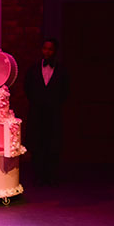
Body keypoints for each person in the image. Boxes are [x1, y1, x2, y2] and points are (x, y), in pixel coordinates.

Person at [24, 38, 69, 185]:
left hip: (54, 112)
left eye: (50, 49)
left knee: (53, 143)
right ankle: (38, 175)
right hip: (37, 112)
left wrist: (54, 103)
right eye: (45, 48)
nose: (47, 52)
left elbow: (65, 91)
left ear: (55, 51)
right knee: (37, 143)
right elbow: (28, 88)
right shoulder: (33, 69)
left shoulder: (62, 70)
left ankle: (51, 175)